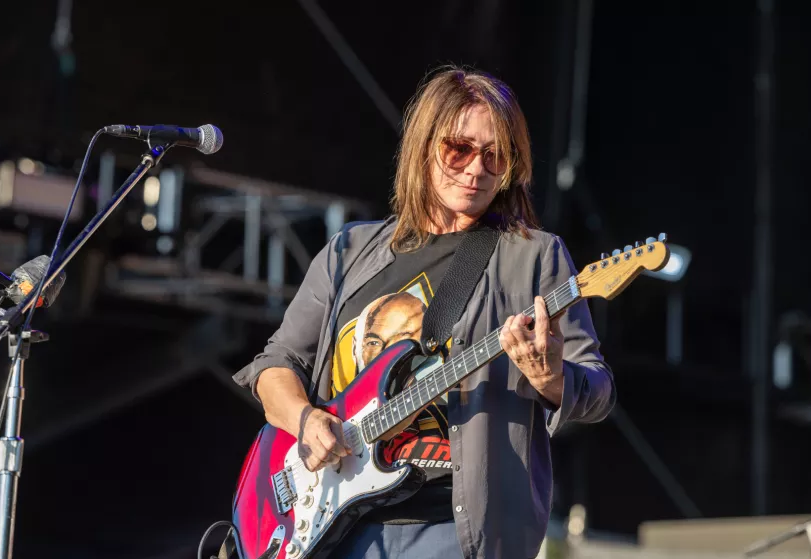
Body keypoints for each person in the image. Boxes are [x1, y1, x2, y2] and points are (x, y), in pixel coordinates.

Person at [233, 65, 615, 559]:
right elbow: (275, 366)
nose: (476, 169)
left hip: (449, 525)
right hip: (332, 523)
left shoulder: (532, 256)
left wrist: (551, 378)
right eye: (459, 149)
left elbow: (597, 389)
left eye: (496, 156)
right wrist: (306, 421)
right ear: (424, 147)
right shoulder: (349, 252)